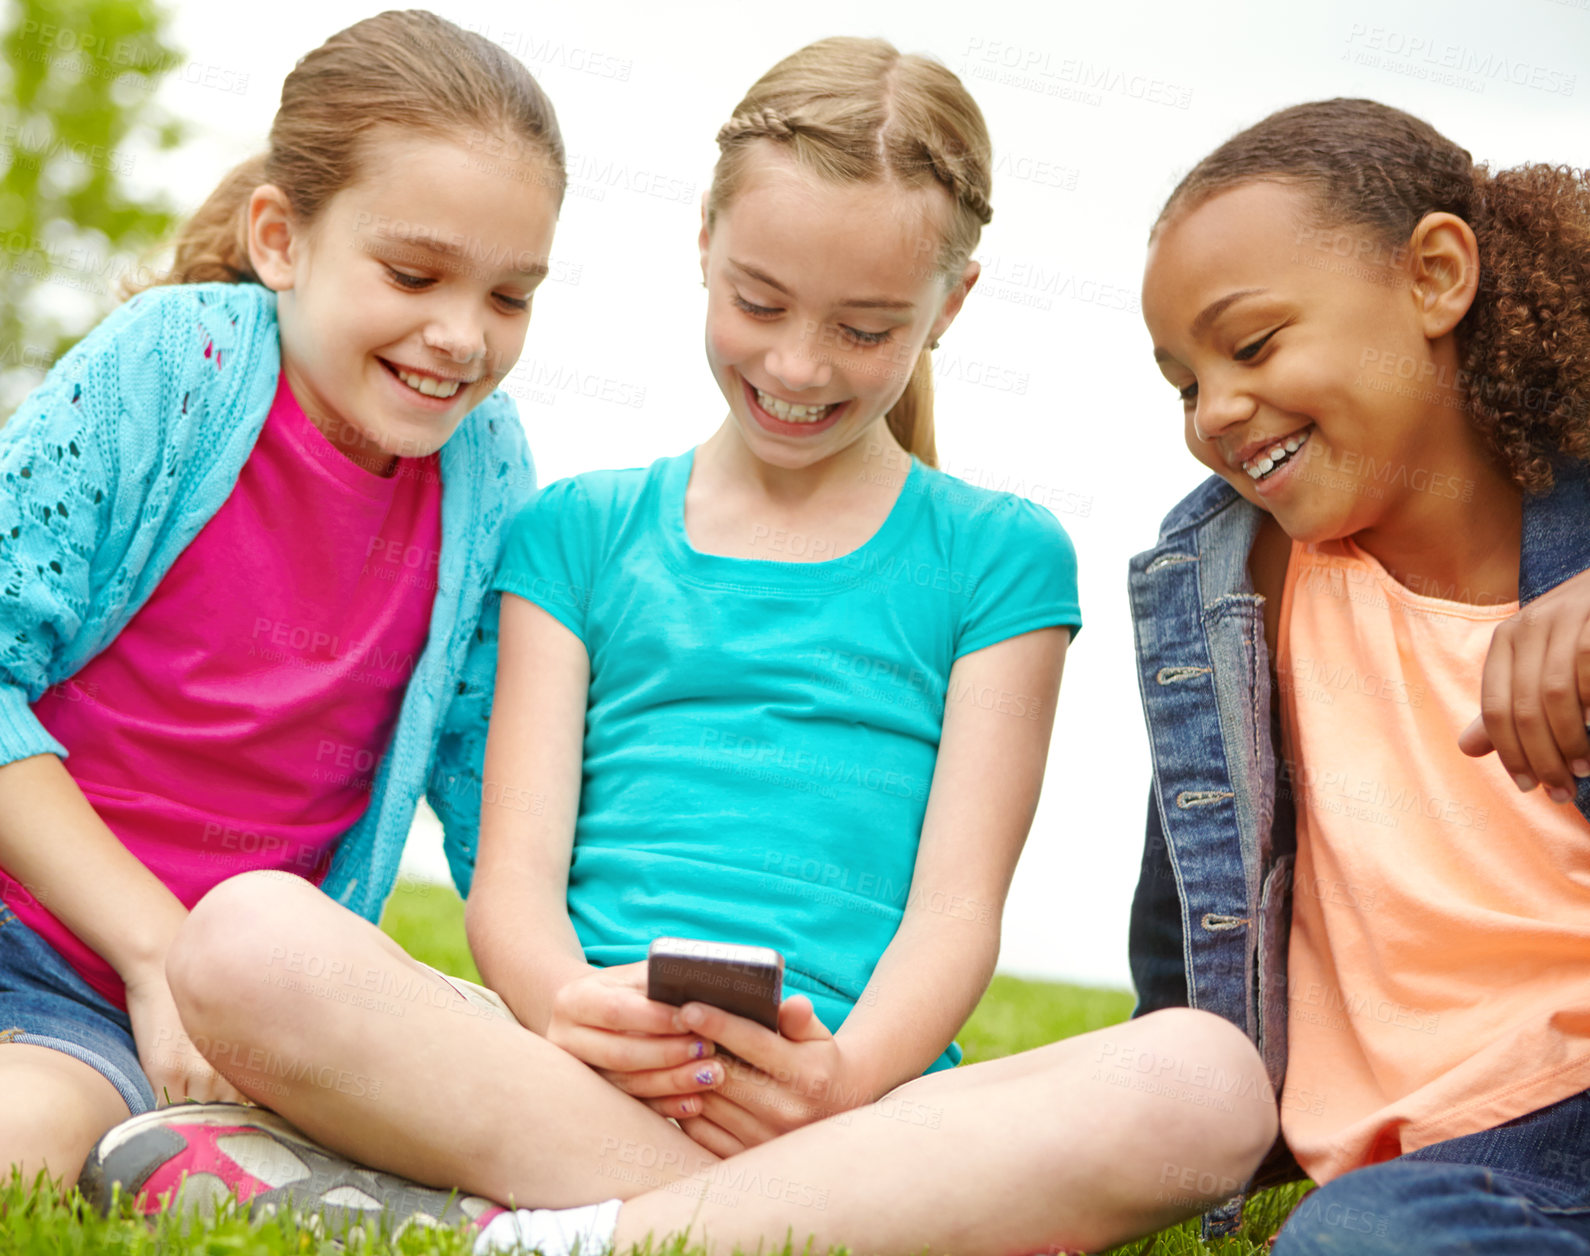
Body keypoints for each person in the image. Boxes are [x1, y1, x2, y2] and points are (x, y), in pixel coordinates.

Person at [82, 35, 1277, 1256]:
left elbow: (956, 914)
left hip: (863, 1100)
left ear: (952, 303)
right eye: (759, 303)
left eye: (865, 330)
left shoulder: (1000, 558)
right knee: (241, 938)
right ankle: (810, 1222)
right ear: (701, 240)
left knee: (1208, 1080)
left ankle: (550, 1229)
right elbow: (512, 883)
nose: (798, 364)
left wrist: (847, 1074)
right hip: (571, 1065)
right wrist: (567, 1007)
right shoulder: (576, 533)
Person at [0, 8, 562, 1194]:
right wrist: (159, 951)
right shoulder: (173, 367)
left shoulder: (488, 470)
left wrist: (591, 997)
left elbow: (495, 785)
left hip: (182, 1018)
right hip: (56, 934)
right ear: (280, 238)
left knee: (28, 1145)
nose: (461, 336)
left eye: (511, 297)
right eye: (414, 274)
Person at [1131, 97, 1590, 1251]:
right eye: (1184, 382)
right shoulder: (1237, 587)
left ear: (1436, 276)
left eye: (1252, 344)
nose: (1217, 412)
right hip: (1436, 1173)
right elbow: (1179, 922)